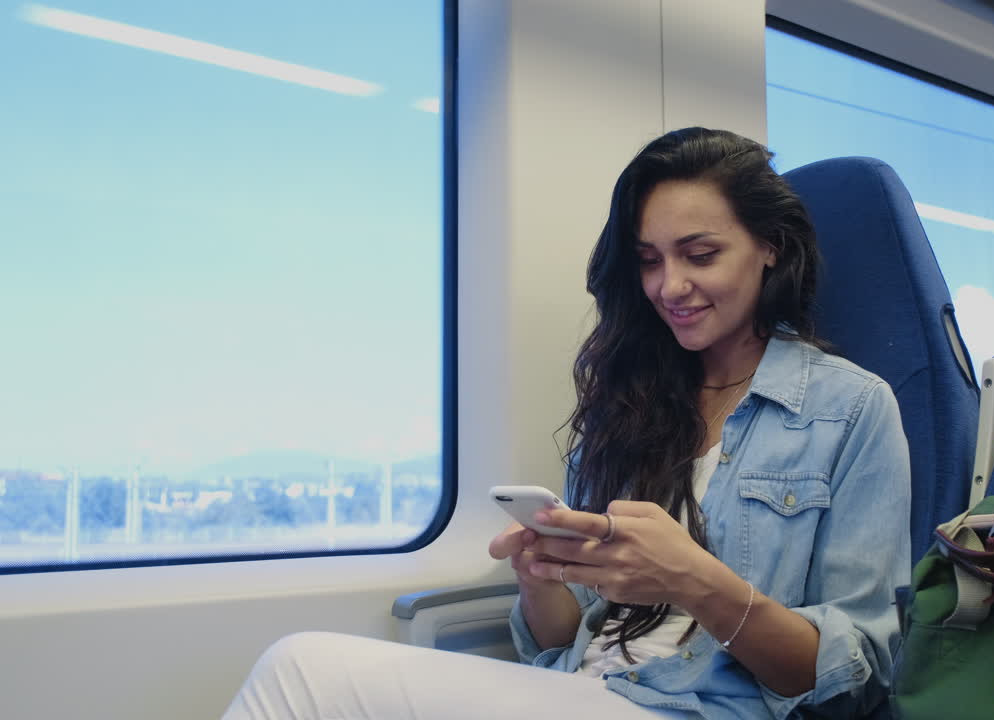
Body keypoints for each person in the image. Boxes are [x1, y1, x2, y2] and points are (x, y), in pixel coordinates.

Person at [221, 128, 910, 720]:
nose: (668, 286)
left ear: (770, 247)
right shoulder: (632, 406)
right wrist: (539, 575)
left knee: (302, 668)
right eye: (649, 261)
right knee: (302, 671)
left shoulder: (851, 410)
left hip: (702, 706)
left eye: (699, 255)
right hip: (583, 693)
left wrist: (692, 578)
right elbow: (563, 642)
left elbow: (858, 678)